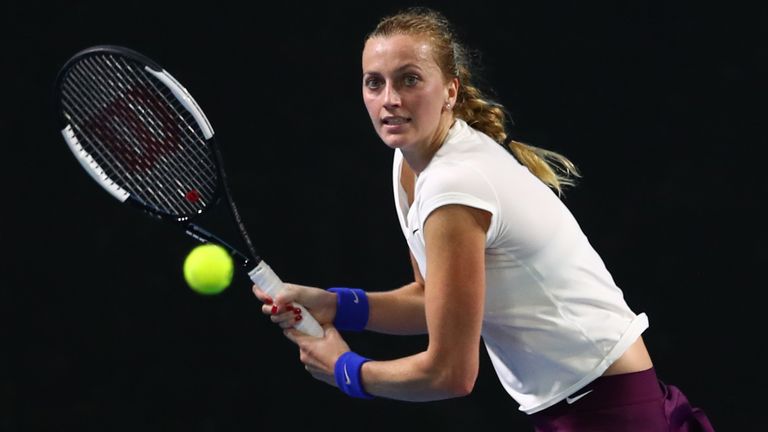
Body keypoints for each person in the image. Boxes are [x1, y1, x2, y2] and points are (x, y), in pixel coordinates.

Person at [252, 6, 715, 431]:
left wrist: (346, 371)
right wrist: (337, 305)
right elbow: (431, 299)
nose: (389, 99)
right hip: (591, 403)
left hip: (607, 411)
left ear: (450, 90)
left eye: (409, 80)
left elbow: (450, 373)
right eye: (375, 83)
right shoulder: (411, 163)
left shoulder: (454, 184)